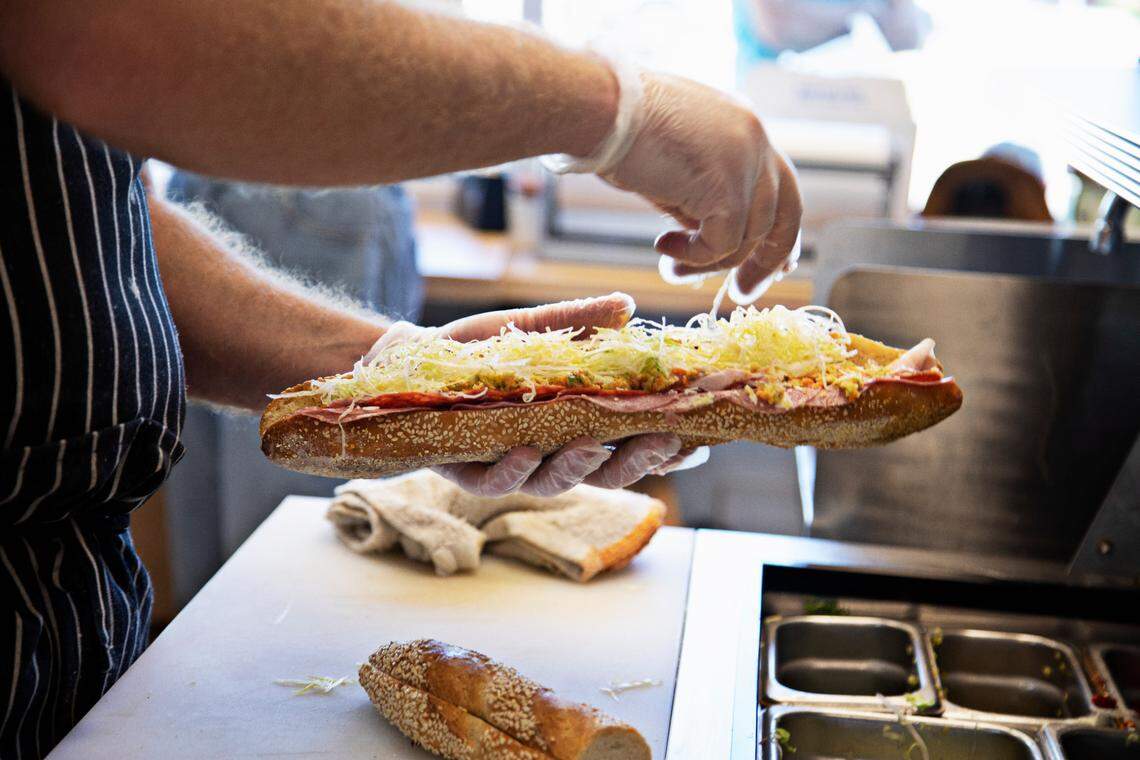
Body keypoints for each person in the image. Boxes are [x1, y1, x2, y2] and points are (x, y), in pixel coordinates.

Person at [0, 2, 802, 756]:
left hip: (83, 644)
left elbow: (101, 224)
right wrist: (619, 112)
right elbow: (122, 35)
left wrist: (394, 374)